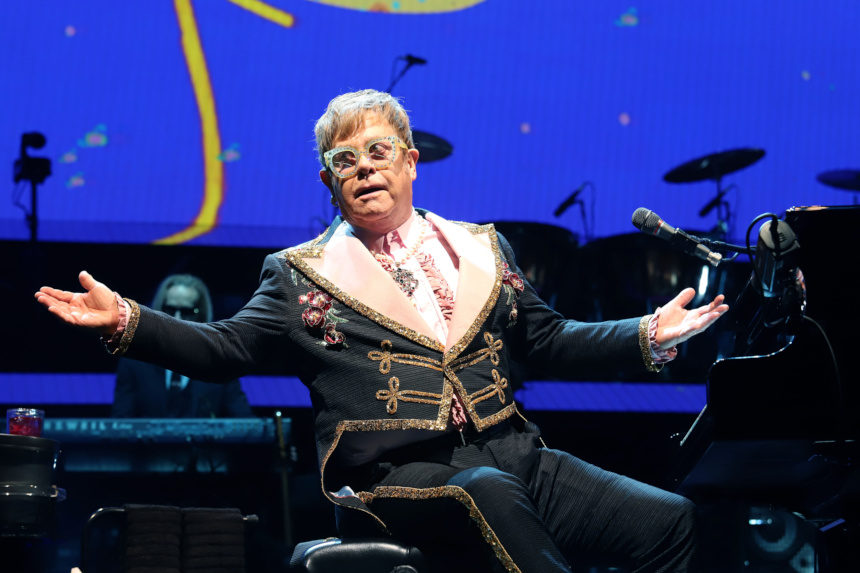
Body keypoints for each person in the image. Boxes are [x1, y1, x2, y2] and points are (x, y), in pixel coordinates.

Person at [36, 89, 728, 572]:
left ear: (409, 162)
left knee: (671, 522)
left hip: (516, 456)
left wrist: (645, 330)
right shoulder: (300, 274)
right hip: (393, 476)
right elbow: (225, 348)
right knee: (485, 490)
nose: (363, 166)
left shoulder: (483, 250)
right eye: (345, 160)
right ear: (328, 182)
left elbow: (547, 338)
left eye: (377, 150)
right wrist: (128, 319)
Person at [111, 273, 254, 418]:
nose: (176, 318)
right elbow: (120, 425)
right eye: (170, 310)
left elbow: (246, 424)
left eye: (187, 312)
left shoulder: (220, 362)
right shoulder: (135, 361)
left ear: (201, 315)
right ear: (158, 309)